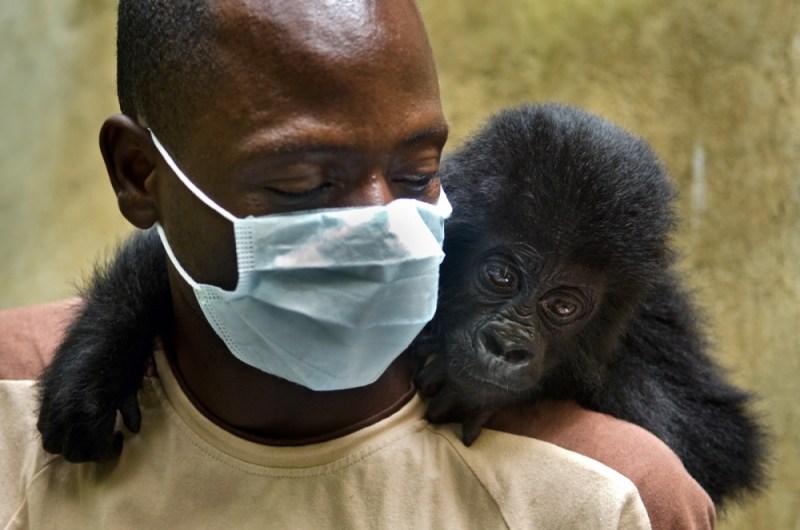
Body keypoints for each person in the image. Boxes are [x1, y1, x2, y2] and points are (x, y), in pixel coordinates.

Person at [0, 1, 714, 528]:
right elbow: (169, 263)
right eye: (303, 186)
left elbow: (709, 443)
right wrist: (107, 342)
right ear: (142, 176)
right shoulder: (14, 404)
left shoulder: (609, 489)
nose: (377, 225)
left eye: (415, 176)